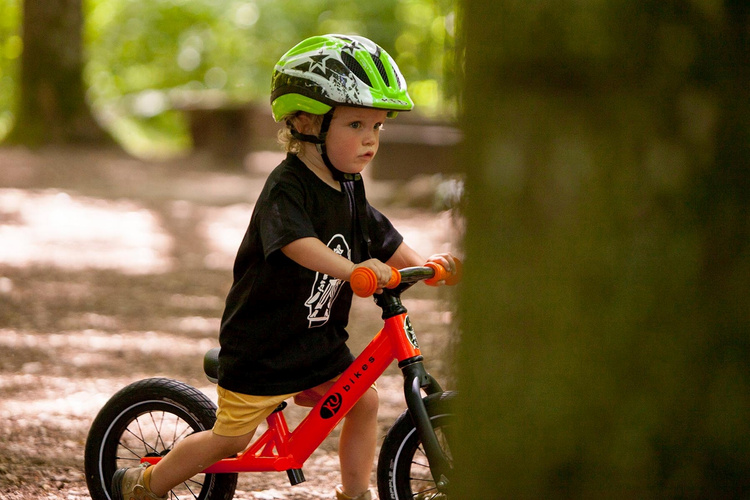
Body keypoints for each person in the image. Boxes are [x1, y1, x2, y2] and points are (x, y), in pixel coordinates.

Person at [112, 33, 457, 500]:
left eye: (378, 126)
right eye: (356, 124)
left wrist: (427, 266)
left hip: (316, 344)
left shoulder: (349, 185)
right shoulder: (286, 187)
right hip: (264, 345)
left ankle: (355, 495)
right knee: (232, 439)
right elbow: (296, 243)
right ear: (306, 121)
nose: (370, 139)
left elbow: (382, 235)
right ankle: (143, 484)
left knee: (363, 400)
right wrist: (350, 270)